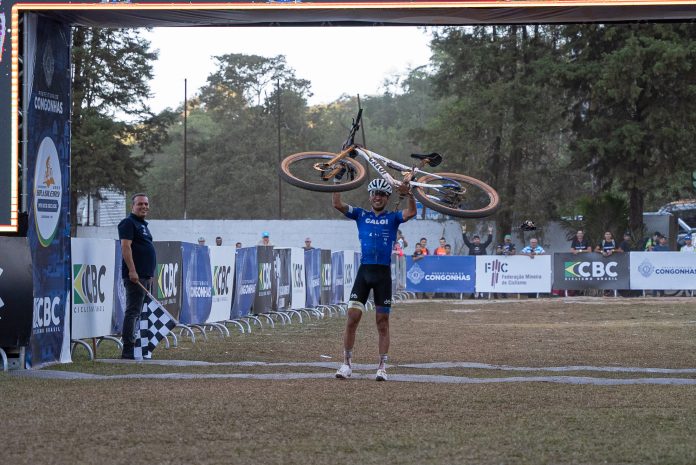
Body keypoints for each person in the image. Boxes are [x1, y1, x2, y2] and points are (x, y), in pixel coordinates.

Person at [332, 178, 416, 382]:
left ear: (387, 198)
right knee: (352, 318)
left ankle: (382, 366)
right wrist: (337, 179)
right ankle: (347, 363)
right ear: (370, 196)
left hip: (383, 275)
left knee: (382, 322)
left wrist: (410, 193)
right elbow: (337, 204)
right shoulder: (361, 214)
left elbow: (411, 212)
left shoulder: (393, 218)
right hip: (365, 272)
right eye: (374, 193)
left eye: (382, 194)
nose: (377, 197)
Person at [117, 193, 156, 360]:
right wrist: (132, 271)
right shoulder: (128, 223)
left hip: (146, 276)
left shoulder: (143, 225)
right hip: (135, 277)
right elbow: (126, 247)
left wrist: (150, 274)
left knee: (140, 312)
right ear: (132, 206)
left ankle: (139, 345)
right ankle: (128, 349)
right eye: (140, 204)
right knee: (132, 312)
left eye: (146, 204)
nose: (144, 207)